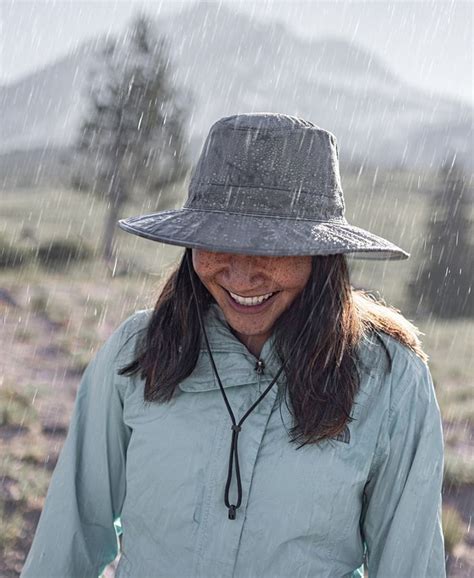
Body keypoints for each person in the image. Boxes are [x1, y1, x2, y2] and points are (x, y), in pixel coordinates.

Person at [21, 113, 446, 578]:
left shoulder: (389, 380)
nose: (242, 275)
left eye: (273, 246)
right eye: (219, 241)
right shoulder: (136, 355)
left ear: (322, 256)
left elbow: (409, 566)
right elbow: (69, 537)